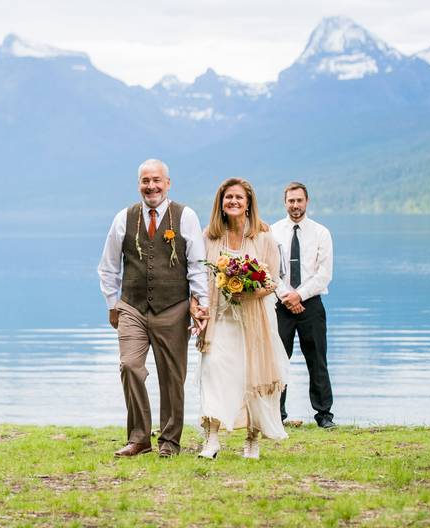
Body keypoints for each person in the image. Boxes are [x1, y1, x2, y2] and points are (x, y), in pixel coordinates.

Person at [98, 159, 209, 458]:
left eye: (157, 180)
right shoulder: (124, 217)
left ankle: (170, 441)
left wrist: (202, 304)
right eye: (146, 181)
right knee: (130, 366)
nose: (152, 186)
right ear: (139, 185)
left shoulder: (185, 216)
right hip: (131, 306)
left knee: (172, 376)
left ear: (168, 183)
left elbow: (198, 266)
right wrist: (113, 304)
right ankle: (139, 438)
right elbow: (108, 267)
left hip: (174, 306)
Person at [196, 178, 289, 459]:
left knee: (252, 378)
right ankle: (211, 439)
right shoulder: (210, 237)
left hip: (254, 321)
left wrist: (247, 292)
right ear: (220, 204)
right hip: (220, 319)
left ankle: (252, 439)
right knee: (213, 373)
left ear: (248, 203)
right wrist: (197, 307)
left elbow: (273, 280)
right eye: (228, 198)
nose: (233, 202)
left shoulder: (263, 237)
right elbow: (199, 279)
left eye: (238, 197)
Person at [272, 181, 335, 429]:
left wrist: (299, 295)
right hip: (281, 304)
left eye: (299, 200)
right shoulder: (273, 231)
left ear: (306, 201)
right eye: (291, 201)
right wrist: (287, 295)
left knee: (317, 359)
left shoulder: (321, 233)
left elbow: (324, 274)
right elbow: (269, 269)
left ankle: (324, 414)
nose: (295, 205)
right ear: (284, 202)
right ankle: (276, 413)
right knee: (277, 359)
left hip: (312, 304)